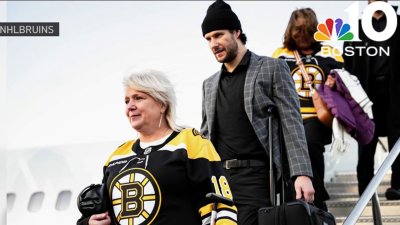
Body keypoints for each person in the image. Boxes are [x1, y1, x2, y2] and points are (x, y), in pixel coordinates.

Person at [200, 1, 315, 225]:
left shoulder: (272, 68)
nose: (213, 43)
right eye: (208, 39)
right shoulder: (209, 84)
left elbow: (292, 123)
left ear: (236, 32)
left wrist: (302, 174)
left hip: (257, 177)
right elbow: (205, 136)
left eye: (218, 35)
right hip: (220, 181)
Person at [77, 69, 238, 225]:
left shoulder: (190, 141)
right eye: (127, 101)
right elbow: (103, 215)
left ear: (162, 104)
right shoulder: (116, 156)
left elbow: (222, 207)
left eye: (138, 98)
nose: (130, 106)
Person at [272, 8, 344, 211]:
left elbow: (346, 83)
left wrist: (334, 82)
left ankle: (318, 201)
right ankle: (295, 203)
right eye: (298, 31)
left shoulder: (330, 52)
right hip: (289, 118)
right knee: (287, 156)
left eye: (307, 31)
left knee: (310, 145)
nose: (302, 36)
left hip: (318, 116)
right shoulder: (281, 54)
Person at [343, 0, 400, 200]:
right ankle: (366, 192)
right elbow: (347, 64)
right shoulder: (355, 29)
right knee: (366, 142)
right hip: (365, 93)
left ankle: (398, 187)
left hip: (395, 91)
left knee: (397, 139)